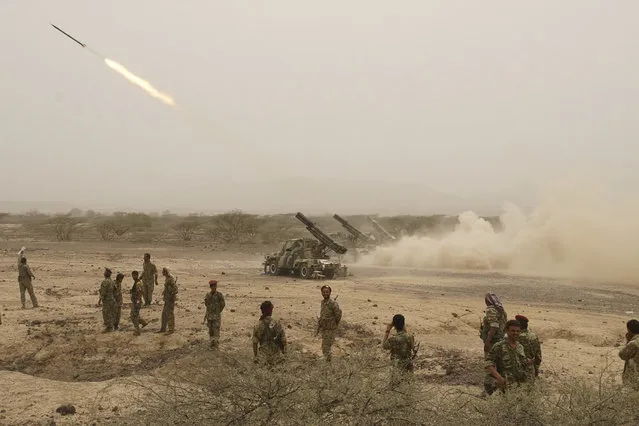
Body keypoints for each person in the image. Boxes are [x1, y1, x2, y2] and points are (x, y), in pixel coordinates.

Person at [484, 319, 532, 395]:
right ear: (507, 330)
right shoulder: (499, 346)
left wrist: (527, 362)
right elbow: (488, 363)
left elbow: (521, 363)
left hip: (518, 387)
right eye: (513, 331)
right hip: (504, 386)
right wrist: (499, 378)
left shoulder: (520, 347)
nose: (515, 333)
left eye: (518, 331)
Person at [252, 300, 287, 365]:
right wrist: (284, 354)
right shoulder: (277, 323)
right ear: (271, 310)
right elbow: (283, 341)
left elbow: (255, 343)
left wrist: (256, 357)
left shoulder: (257, 325)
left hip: (263, 358)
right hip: (277, 357)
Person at [315, 285, 342, 362]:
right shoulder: (323, 302)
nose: (325, 293)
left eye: (327, 292)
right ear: (321, 293)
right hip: (324, 329)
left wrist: (334, 324)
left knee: (326, 347)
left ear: (330, 293)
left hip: (330, 329)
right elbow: (323, 314)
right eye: (323, 292)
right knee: (325, 346)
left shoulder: (333, 303)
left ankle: (328, 364)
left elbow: (338, 315)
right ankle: (327, 362)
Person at [515, 314, 542, 379]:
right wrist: (536, 369)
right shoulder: (533, 336)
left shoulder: (514, 336)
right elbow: (538, 355)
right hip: (530, 368)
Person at [204, 280, 225, 349]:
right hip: (209, 316)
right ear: (211, 287)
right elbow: (206, 304)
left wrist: (218, 311)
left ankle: (216, 344)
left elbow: (223, 304)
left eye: (215, 286)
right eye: (213, 286)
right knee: (211, 330)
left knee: (216, 330)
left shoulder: (219, 295)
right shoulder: (208, 295)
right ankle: (211, 343)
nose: (214, 288)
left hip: (216, 316)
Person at [619, 319, 639, 390]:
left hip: (634, 377)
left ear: (629, 330)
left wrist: (628, 341)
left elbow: (622, 355)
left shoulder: (634, 343)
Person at [158, 268, 177, 334]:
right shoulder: (167, 279)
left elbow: (175, 290)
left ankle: (171, 329)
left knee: (170, 314)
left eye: (163, 271)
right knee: (164, 314)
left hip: (170, 300)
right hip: (167, 300)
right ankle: (163, 328)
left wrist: (169, 290)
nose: (162, 272)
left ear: (166, 272)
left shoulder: (170, 279)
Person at [129, 271, 148, 335]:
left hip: (137, 302)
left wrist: (137, 302)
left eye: (134, 275)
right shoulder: (137, 282)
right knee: (136, 315)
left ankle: (137, 330)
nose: (133, 277)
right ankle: (143, 323)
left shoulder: (138, 283)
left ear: (136, 275)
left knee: (133, 316)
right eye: (132, 275)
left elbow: (140, 293)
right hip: (135, 302)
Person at [98, 268, 116, 333]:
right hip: (112, 299)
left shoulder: (105, 281)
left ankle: (109, 327)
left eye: (105, 272)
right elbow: (115, 291)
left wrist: (100, 300)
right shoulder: (112, 281)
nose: (104, 273)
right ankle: (111, 326)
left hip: (107, 300)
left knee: (106, 313)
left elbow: (103, 292)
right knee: (111, 313)